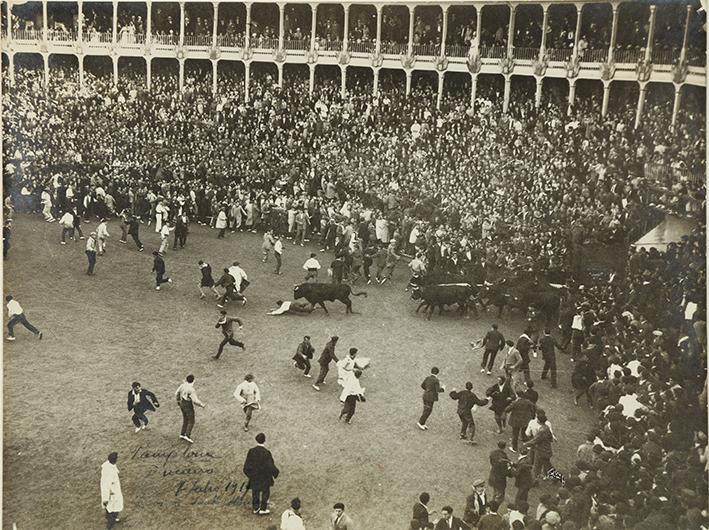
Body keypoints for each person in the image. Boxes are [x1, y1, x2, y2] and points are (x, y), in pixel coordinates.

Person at [243, 432, 280, 515]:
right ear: (264, 440)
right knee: (265, 491)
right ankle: (263, 508)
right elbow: (270, 466)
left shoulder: (251, 451)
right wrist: (275, 473)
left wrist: (250, 475)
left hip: (255, 476)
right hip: (265, 477)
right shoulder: (266, 453)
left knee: (255, 492)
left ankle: (255, 508)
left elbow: (247, 465)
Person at [175, 374, 205, 443]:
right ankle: (187, 435)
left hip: (182, 403)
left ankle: (182, 434)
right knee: (191, 421)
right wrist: (201, 405)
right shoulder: (191, 390)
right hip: (188, 405)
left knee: (185, 419)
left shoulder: (183, 385)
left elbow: (177, 393)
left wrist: (178, 401)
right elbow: (195, 401)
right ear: (193, 381)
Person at [100, 452, 123, 529]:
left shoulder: (109, 465)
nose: (116, 460)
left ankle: (111, 518)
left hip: (114, 490)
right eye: (115, 459)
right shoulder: (107, 471)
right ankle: (109, 526)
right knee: (113, 509)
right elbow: (105, 486)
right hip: (111, 493)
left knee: (112, 507)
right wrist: (105, 498)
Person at [417, 366, 445, 431]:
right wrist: (443, 388)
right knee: (428, 410)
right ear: (437, 373)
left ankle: (423, 423)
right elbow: (438, 390)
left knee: (426, 409)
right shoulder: (436, 380)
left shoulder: (427, 378)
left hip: (425, 395)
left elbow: (422, 385)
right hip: (430, 398)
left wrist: (428, 390)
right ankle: (420, 422)